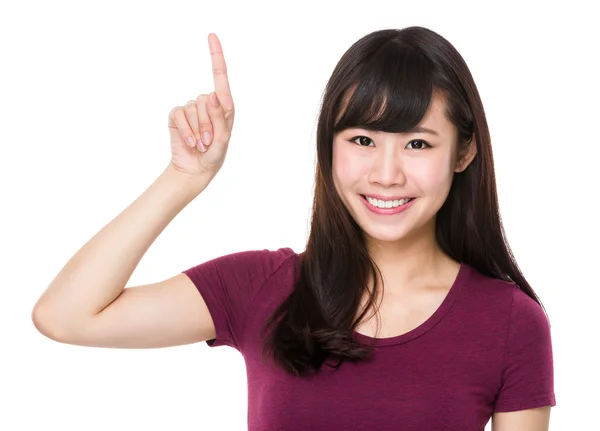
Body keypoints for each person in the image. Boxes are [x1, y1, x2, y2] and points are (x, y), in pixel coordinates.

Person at [31, 27, 556, 430]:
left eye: (418, 143)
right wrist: (183, 178)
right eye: (362, 140)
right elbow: (67, 316)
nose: (387, 173)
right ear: (329, 146)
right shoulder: (262, 285)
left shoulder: (510, 323)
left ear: (464, 152)